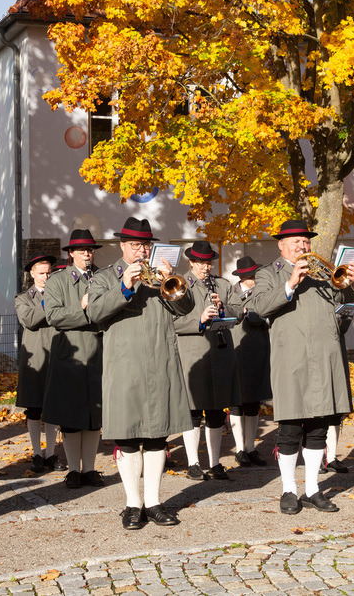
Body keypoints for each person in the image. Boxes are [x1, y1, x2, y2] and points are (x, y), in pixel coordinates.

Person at [246, 220, 354, 515]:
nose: (303, 246)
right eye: (297, 241)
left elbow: (345, 299)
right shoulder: (267, 274)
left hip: (325, 358)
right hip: (292, 360)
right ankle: (289, 489)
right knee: (289, 429)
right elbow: (259, 308)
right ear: (281, 245)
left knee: (319, 428)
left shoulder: (323, 272)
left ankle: (312, 489)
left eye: (306, 241)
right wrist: (290, 284)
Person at [87, 217, 195, 529]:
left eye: (146, 244)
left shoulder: (161, 279)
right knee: (129, 437)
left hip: (160, 363)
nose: (142, 250)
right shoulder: (107, 277)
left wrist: (170, 280)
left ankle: (154, 502)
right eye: (135, 245)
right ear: (122, 246)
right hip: (125, 367)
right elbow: (94, 312)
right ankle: (132, 505)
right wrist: (125, 286)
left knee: (157, 436)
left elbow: (185, 308)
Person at [174, 240, 242, 481]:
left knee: (215, 411)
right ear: (191, 262)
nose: (206, 267)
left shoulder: (223, 285)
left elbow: (240, 311)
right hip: (193, 353)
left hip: (220, 353)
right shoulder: (178, 284)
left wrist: (224, 309)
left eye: (209, 262)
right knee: (193, 411)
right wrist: (200, 320)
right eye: (201, 263)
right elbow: (172, 322)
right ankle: (193, 463)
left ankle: (214, 464)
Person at [42, 229, 104, 488]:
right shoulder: (57, 280)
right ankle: (73, 470)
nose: (87, 255)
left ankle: (89, 469)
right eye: (81, 251)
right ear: (71, 254)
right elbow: (53, 316)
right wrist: (81, 307)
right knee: (70, 417)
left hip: (98, 352)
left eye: (89, 250)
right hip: (70, 354)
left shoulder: (102, 277)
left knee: (93, 417)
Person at [15, 254, 66, 474]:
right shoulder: (23, 298)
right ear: (32, 274)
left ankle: (51, 453)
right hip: (35, 359)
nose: (46, 277)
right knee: (34, 410)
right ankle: (36, 452)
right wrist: (49, 304)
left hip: (56, 356)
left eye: (49, 272)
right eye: (42, 273)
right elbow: (29, 319)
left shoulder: (60, 295)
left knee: (54, 408)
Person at [228, 256, 271, 467]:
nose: (254, 279)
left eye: (254, 276)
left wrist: (254, 315)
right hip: (236, 349)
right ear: (242, 277)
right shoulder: (231, 292)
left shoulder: (263, 292)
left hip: (257, 350)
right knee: (237, 402)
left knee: (253, 402)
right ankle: (240, 449)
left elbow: (268, 314)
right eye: (251, 276)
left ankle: (251, 448)